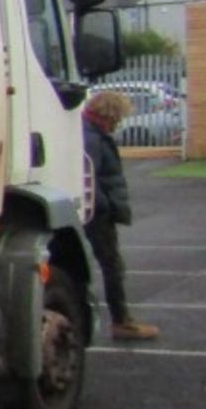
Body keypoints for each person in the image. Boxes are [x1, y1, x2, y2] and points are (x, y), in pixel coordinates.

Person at [83, 90, 159, 341]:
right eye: (118, 117)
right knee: (112, 265)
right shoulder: (92, 138)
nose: (119, 123)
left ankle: (120, 319)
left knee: (109, 264)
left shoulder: (91, 133)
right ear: (109, 114)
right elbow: (88, 177)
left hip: (94, 210)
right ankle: (121, 321)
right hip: (96, 214)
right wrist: (104, 207)